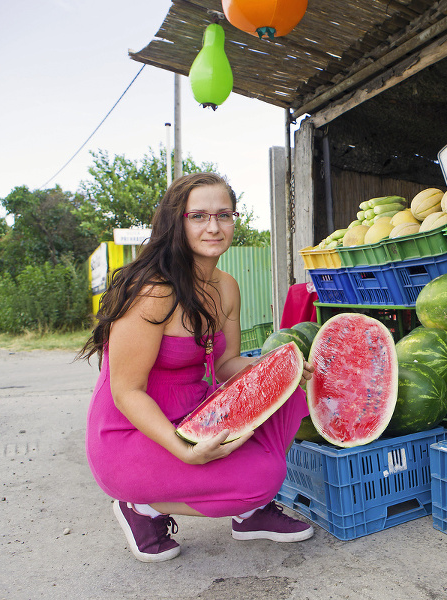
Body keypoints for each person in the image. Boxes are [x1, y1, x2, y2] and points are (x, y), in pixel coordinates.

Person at [79, 172, 314, 563]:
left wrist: (278, 369)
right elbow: (126, 391)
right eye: (198, 216)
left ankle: (249, 513)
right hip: (133, 432)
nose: (213, 226)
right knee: (261, 479)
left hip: (196, 410)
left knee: (293, 394)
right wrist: (182, 450)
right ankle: (142, 507)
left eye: (224, 215)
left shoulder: (226, 286)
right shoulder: (153, 290)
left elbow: (225, 365)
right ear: (177, 221)